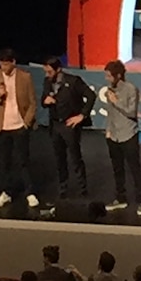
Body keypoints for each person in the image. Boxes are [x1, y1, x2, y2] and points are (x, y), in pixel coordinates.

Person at [0, 49, 39, 209]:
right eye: (1, 64)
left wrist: (26, 123)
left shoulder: (25, 77)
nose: (3, 67)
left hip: (19, 125)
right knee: (5, 162)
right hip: (2, 127)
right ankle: (6, 192)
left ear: (13, 62)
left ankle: (30, 192)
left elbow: (32, 102)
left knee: (23, 161)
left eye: (6, 64)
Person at [41, 57, 94, 199]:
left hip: (69, 125)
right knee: (59, 158)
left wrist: (81, 116)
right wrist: (46, 102)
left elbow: (91, 95)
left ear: (58, 69)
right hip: (55, 125)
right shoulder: (47, 82)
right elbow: (43, 100)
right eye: (45, 71)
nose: (47, 75)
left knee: (75, 157)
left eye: (49, 71)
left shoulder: (73, 81)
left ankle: (82, 188)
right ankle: (63, 186)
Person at [102, 59, 141, 215]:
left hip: (128, 135)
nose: (107, 79)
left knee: (134, 169)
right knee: (117, 169)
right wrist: (108, 130)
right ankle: (121, 198)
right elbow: (111, 113)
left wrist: (116, 101)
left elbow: (131, 112)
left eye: (109, 76)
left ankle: (140, 201)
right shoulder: (109, 90)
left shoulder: (130, 89)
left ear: (118, 75)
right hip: (113, 136)